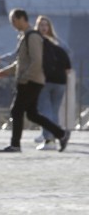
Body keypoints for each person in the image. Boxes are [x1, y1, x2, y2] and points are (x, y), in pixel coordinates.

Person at [0, 8, 69, 153]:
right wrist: (8, 71)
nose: (13, 24)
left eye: (14, 21)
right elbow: (22, 62)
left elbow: (36, 61)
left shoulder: (32, 37)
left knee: (16, 111)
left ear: (22, 19)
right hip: (32, 79)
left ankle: (15, 145)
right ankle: (61, 134)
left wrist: (24, 78)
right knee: (32, 114)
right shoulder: (25, 36)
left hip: (30, 81)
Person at [32, 15, 71, 151]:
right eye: (41, 25)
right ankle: (51, 135)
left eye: (45, 25)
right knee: (53, 111)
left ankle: (50, 140)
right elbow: (68, 61)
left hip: (46, 80)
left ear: (49, 27)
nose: (43, 28)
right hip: (60, 80)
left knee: (45, 110)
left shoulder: (37, 41)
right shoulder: (59, 43)